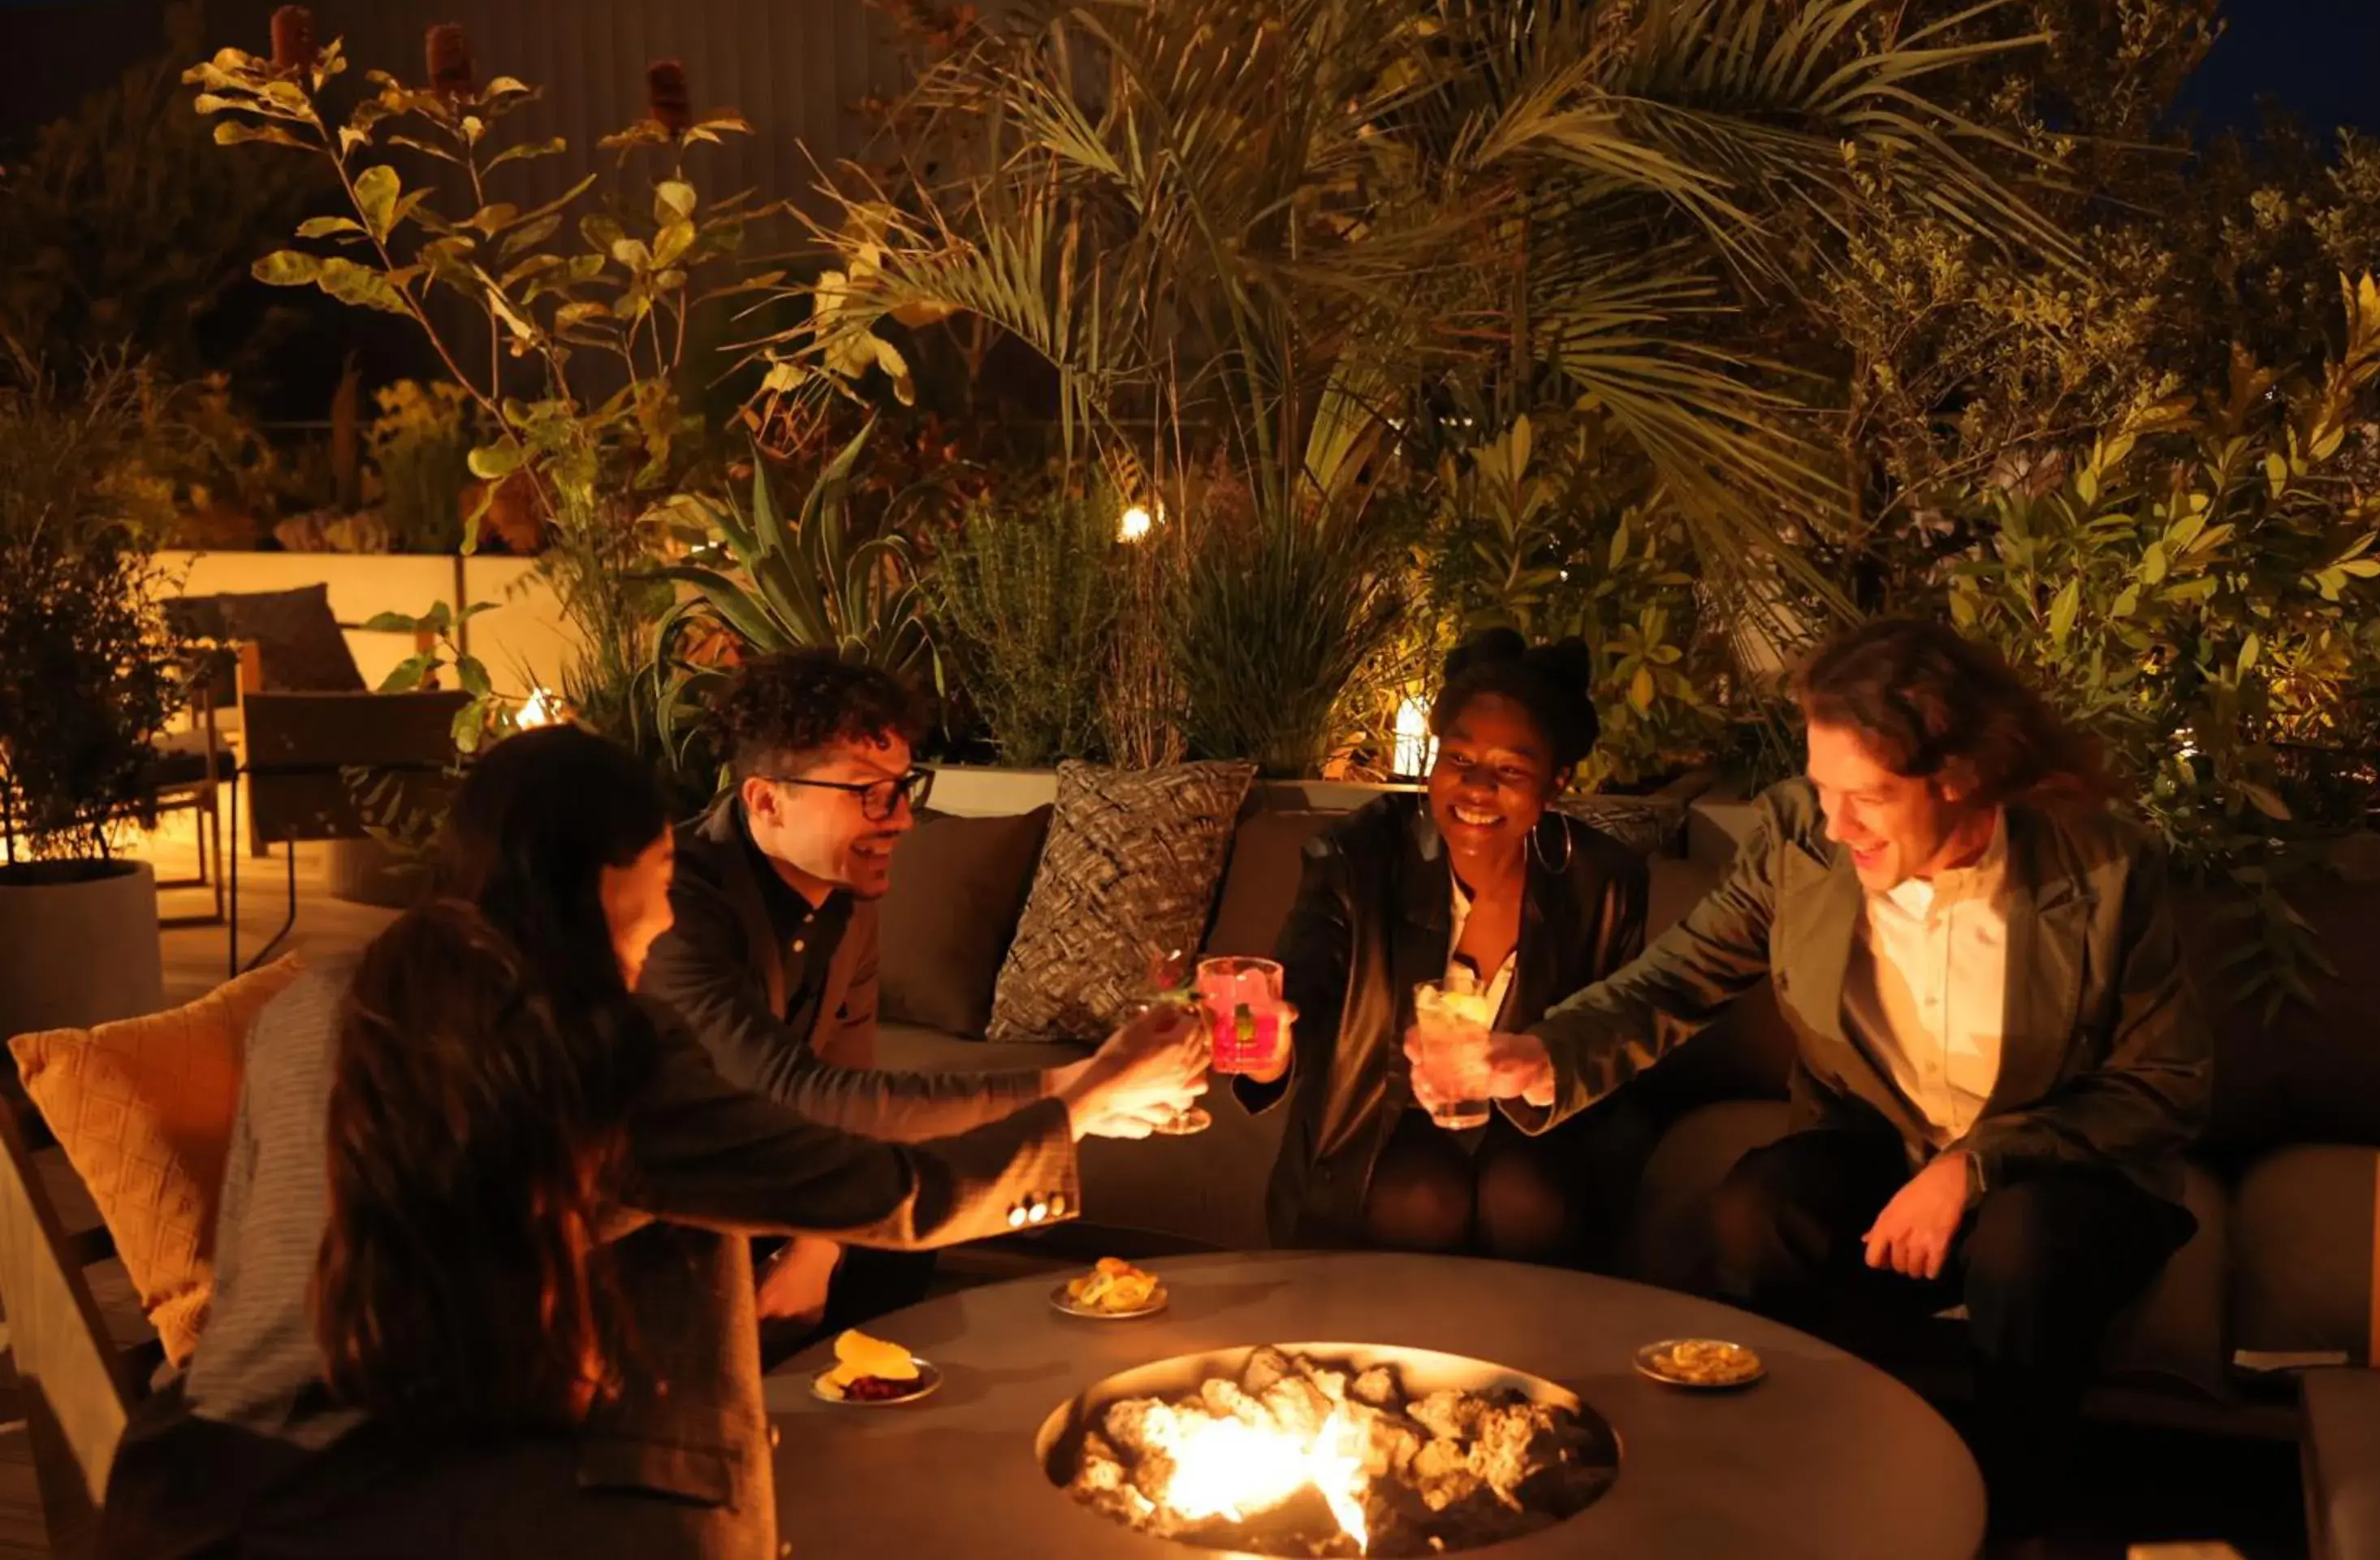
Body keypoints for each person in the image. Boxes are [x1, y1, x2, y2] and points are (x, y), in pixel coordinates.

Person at [99, 725, 1204, 1559]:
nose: (670, 920)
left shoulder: (310, 1005)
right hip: (464, 1515)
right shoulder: (591, 1048)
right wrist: (1082, 1105)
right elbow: (886, 1190)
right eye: (661, 885)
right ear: (593, 888)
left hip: (208, 1491)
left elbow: (248, 1264)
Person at [1412, 618, 2209, 1549]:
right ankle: (1796, 1492)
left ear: (1958, 778)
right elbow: (1676, 977)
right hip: (1886, 1145)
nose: (1836, 826)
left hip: (2064, 1176)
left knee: (2022, 1247)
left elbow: (2161, 1086)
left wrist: (1975, 1167)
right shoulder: (1804, 836)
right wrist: (1543, 1052)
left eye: (1864, 798)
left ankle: (2004, 1519)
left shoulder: (2103, 867)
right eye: (1824, 791)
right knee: (1762, 1206)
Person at [640, 648, 1193, 1349]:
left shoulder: (848, 897)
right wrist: (1076, 1089)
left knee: (900, 1215)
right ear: (766, 800)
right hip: (666, 1210)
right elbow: (792, 1094)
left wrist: (820, 1248)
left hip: (771, 1175)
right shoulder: (674, 908)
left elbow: (856, 1093)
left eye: (904, 786)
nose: (900, 819)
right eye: (867, 792)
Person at [1238, 630, 1652, 1264]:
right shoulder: (1359, 854)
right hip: (1385, 1120)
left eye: (1510, 770)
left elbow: (1617, 1042)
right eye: (1458, 760)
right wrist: (1271, 1046)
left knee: (1527, 1194)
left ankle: (1525, 1354)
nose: (1478, 787)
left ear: (1556, 783)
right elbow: (1307, 978)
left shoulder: (1604, 883)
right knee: (1422, 1196)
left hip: (1532, 1125)